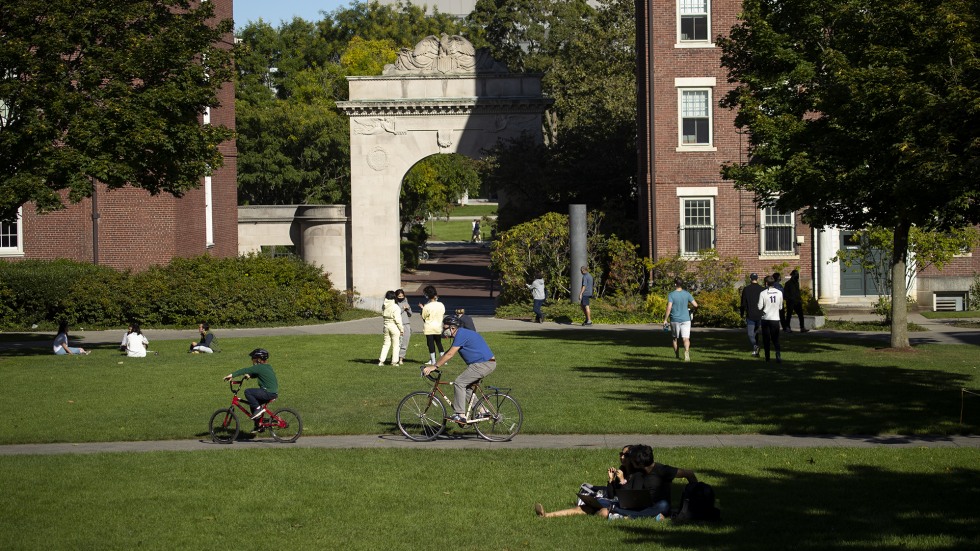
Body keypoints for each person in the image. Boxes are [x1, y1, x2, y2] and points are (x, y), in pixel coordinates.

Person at [422, 315, 496, 424]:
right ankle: (483, 411)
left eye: (445, 328)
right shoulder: (461, 333)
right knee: (467, 389)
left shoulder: (461, 334)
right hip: (483, 363)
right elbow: (448, 352)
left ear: (452, 328)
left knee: (459, 383)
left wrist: (434, 366)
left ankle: (460, 415)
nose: (443, 330)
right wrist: (435, 364)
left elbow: (450, 354)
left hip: (483, 364)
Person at [534, 445, 636, 518]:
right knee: (581, 508)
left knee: (601, 512)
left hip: (622, 506)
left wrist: (622, 480)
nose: (622, 457)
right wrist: (611, 480)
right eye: (621, 454)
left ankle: (594, 513)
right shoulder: (621, 470)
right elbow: (611, 495)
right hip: (612, 502)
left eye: (625, 455)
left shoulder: (636, 475)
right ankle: (547, 515)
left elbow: (629, 498)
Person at [602, 444, 699, 521]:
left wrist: (695, 496)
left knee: (663, 505)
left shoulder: (662, 470)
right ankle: (637, 515)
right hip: (641, 505)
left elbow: (689, 473)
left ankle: (622, 513)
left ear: (638, 463)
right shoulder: (638, 472)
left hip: (657, 506)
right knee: (606, 502)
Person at [223, 348, 279, 434]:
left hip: (267, 392)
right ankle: (259, 425)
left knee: (248, 392)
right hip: (272, 393)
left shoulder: (259, 367)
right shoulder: (267, 366)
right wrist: (250, 376)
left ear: (258, 359)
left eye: (253, 358)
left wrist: (232, 375)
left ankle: (258, 409)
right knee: (252, 403)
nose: (252, 360)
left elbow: (245, 370)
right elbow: (259, 374)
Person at [664, 278, 698, 361]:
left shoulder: (671, 294)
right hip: (686, 319)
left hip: (675, 319)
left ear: (675, 284)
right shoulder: (687, 294)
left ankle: (677, 356)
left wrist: (665, 319)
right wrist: (692, 311)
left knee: (675, 338)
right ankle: (686, 352)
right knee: (686, 338)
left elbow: (669, 307)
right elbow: (696, 305)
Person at [758, 275, 784, 363]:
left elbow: (759, 307)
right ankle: (778, 355)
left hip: (765, 318)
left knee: (766, 339)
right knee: (776, 339)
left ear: (766, 283)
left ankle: (767, 357)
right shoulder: (779, 293)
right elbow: (780, 307)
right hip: (775, 318)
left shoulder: (763, 293)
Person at [419, 285, 446, 365]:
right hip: (438, 326)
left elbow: (424, 316)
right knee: (439, 342)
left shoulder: (427, 306)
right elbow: (443, 312)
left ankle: (433, 360)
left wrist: (422, 308)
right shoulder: (441, 304)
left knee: (430, 343)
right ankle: (444, 360)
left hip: (429, 327)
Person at [739, 273, 764, 356]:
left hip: (750, 314)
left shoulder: (746, 289)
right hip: (760, 314)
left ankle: (755, 346)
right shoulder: (762, 289)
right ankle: (755, 350)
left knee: (750, 334)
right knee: (756, 333)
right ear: (757, 278)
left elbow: (743, 303)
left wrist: (742, 313)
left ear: (750, 279)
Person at [378, 290, 404, 366]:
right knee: (396, 345)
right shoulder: (395, 307)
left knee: (386, 344)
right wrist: (401, 329)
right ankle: (394, 362)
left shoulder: (384, 305)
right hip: (394, 326)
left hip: (386, 326)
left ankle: (381, 361)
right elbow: (398, 320)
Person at [395, 289, 413, 365]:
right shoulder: (394, 304)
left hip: (406, 324)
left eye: (402, 296)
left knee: (405, 342)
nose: (401, 297)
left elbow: (410, 314)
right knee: (397, 343)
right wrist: (403, 308)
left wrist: (408, 309)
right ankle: (395, 357)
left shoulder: (406, 302)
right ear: (396, 296)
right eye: (399, 296)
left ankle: (401, 358)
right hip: (397, 325)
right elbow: (396, 313)